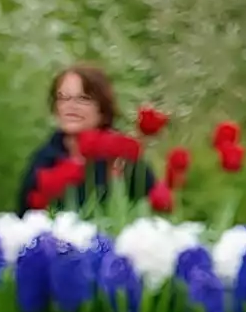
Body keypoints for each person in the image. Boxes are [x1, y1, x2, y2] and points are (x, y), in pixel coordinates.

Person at [15, 63, 153, 211]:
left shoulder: (122, 157)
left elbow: (151, 212)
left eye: (83, 98)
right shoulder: (44, 159)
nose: (71, 106)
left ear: (102, 109)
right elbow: (25, 214)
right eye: (63, 98)